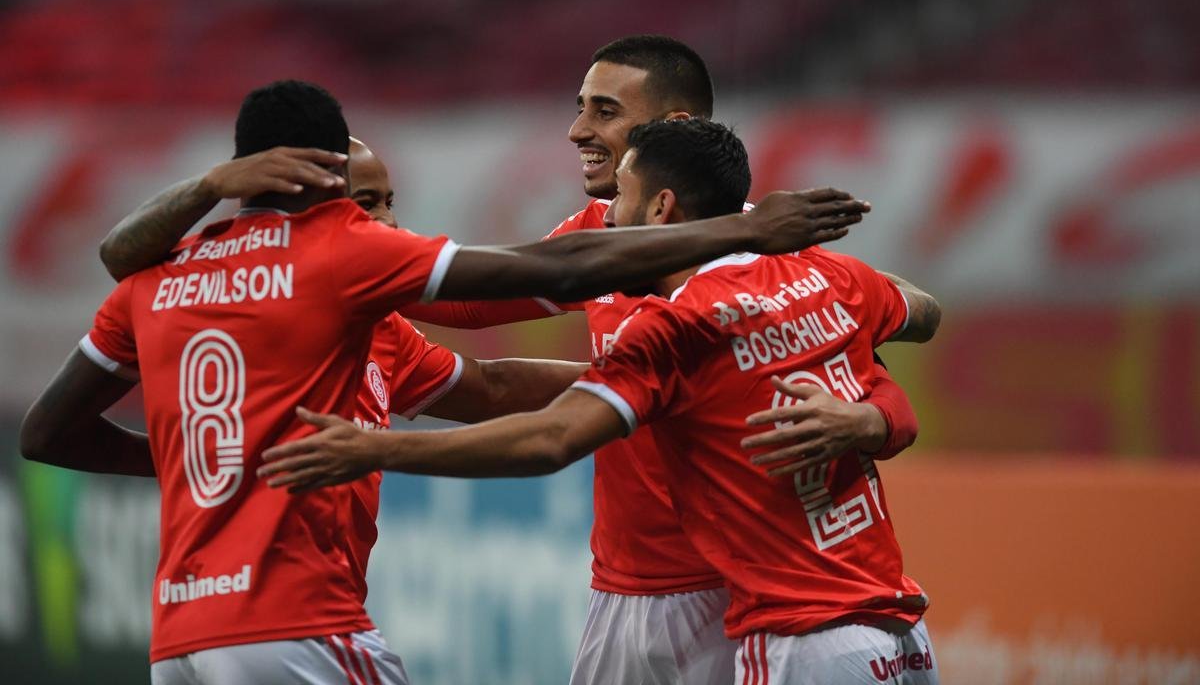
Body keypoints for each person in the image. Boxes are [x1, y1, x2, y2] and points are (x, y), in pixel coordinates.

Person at [20, 80, 871, 685]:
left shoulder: (156, 280)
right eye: (365, 195)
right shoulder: (339, 254)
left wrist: (656, 389)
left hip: (179, 642)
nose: (382, 218)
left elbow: (47, 433)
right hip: (296, 627)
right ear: (314, 174)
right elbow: (555, 273)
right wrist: (744, 231)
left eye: (386, 200)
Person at [259, 118, 942, 684]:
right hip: (903, 638)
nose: (605, 213)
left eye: (619, 195)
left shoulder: (675, 330)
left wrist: (374, 449)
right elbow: (916, 319)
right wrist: (870, 416)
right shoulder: (833, 276)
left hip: (800, 644)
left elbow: (549, 441)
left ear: (660, 209)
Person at [397, 35, 925, 684]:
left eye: (605, 111)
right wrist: (348, 277)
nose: (578, 130)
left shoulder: (769, 246)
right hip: (647, 592)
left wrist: (869, 412)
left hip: (754, 593)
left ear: (673, 129)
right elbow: (470, 306)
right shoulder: (604, 235)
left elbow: (898, 326)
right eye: (581, 107)